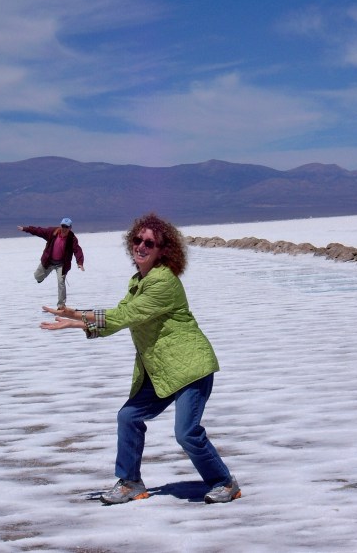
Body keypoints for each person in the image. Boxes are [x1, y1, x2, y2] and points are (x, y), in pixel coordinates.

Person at [40, 212, 240, 505]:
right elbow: (121, 316)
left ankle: (224, 482)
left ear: (162, 251)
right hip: (161, 370)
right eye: (137, 239)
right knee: (129, 416)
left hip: (190, 367)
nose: (141, 246)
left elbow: (124, 316)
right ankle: (130, 482)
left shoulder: (163, 282)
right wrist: (78, 319)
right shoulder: (138, 282)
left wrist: (77, 318)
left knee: (186, 433)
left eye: (150, 242)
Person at [18, 218, 85, 309]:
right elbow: (39, 230)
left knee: (61, 282)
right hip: (48, 261)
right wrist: (26, 229)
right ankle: (40, 278)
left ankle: (61, 305)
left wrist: (80, 262)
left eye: (67, 227)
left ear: (70, 228)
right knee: (37, 276)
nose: (64, 228)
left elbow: (77, 250)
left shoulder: (72, 239)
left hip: (62, 265)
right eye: (63, 226)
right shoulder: (53, 232)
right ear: (60, 226)